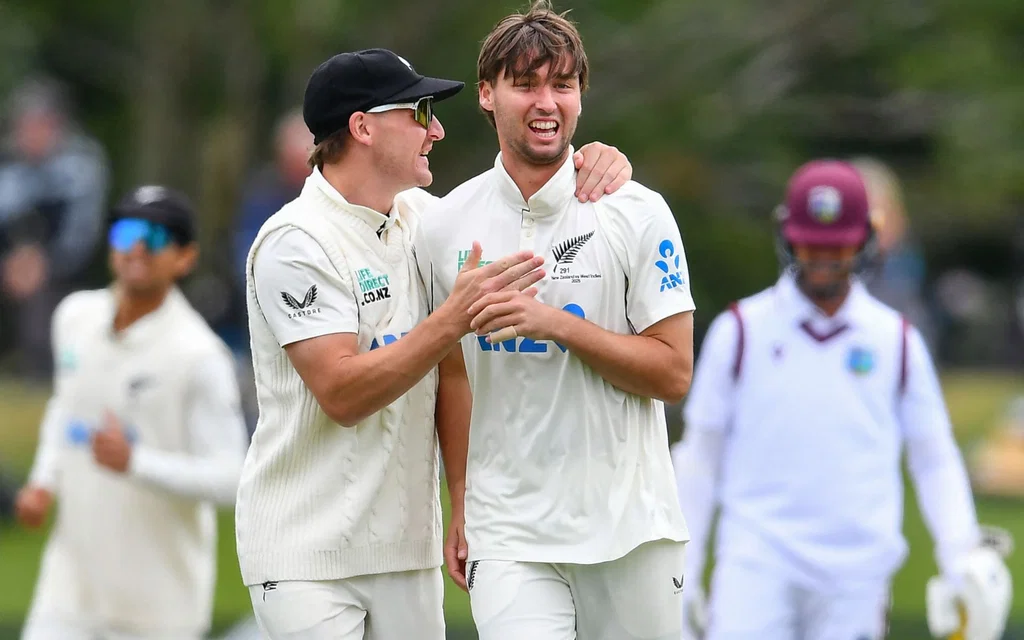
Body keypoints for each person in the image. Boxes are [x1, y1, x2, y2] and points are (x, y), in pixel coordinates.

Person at [236, 47, 633, 640]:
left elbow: (453, 370)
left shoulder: (424, 218)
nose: (438, 129)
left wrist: (595, 161)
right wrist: (452, 318)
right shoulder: (294, 241)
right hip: (305, 556)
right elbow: (343, 393)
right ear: (363, 126)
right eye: (420, 111)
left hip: (407, 549)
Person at [414, 4, 695, 638]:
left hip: (631, 529)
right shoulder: (444, 224)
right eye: (526, 83)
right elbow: (453, 376)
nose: (547, 102)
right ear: (487, 94)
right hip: (508, 532)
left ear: (580, 96)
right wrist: (461, 501)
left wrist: (556, 324)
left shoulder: (637, 212)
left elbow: (673, 373)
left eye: (562, 85)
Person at [671, 159, 1013, 640]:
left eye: (838, 245)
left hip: (858, 573)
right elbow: (699, 459)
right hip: (757, 563)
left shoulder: (894, 340)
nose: (824, 258)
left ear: (866, 241)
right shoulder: (740, 332)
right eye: (812, 243)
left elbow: (933, 456)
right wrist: (680, 574)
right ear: (787, 236)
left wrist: (960, 552)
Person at [14, 185, 249, 640]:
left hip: (159, 610)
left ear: (185, 258)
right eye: (125, 233)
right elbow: (64, 410)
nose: (137, 248)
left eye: (156, 238)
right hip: (68, 594)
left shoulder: (201, 356)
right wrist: (43, 482)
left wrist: (136, 463)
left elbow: (230, 478)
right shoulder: (74, 317)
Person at [0, 76, 109, 380]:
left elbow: (83, 235)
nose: (29, 133)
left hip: (65, 270)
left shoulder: (83, 165)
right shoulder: (8, 162)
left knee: (46, 308)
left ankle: (41, 377)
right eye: (23, 124)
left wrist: (44, 265)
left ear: (57, 125)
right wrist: (11, 263)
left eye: (39, 124)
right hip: (13, 263)